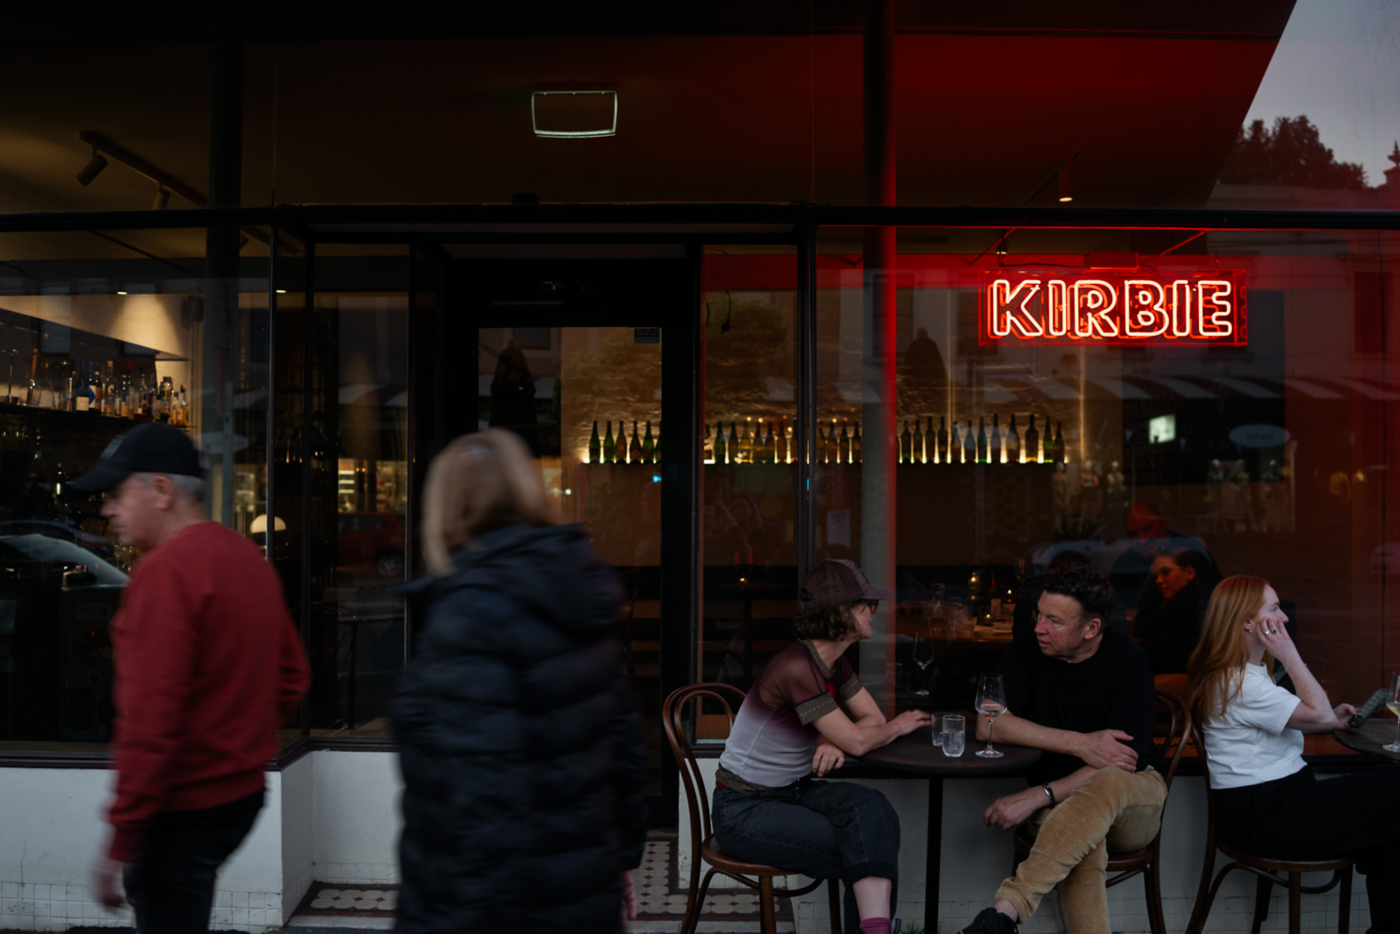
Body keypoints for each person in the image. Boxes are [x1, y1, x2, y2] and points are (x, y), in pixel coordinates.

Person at [393, 429, 647, 934]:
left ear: (444, 508)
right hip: (580, 891)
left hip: (495, 907)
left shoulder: (468, 616)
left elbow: (486, 807)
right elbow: (622, 742)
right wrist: (619, 858)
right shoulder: (575, 589)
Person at [72, 423, 311, 933]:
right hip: (239, 799)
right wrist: (237, 740)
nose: (107, 511)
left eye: (116, 494)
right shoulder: (247, 558)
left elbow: (150, 725)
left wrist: (119, 842)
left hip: (181, 808)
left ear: (160, 491)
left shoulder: (164, 574)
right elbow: (292, 676)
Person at [712, 559, 930, 934]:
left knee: (874, 810)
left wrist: (835, 738)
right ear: (845, 613)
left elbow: (869, 723)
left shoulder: (835, 664)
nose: (873, 614)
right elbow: (865, 737)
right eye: (868, 606)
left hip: (792, 792)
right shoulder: (796, 667)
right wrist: (893, 727)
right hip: (743, 809)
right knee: (862, 843)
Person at [1187, 576, 1400, 933]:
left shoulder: (1242, 675)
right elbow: (1317, 717)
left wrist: (1332, 718)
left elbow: (1297, 718)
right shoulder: (1240, 682)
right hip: (1267, 815)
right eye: (1274, 609)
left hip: (1273, 804)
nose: (1284, 618)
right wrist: (1289, 653)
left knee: (1392, 838)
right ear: (1246, 621)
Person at [960, 565, 1164, 934]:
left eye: (1054, 620)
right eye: (1040, 614)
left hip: (1133, 799)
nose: (1039, 626)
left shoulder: (1128, 661)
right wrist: (1082, 743)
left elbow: (1119, 765)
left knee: (1108, 782)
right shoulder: (1029, 643)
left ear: (1091, 629)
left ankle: (1004, 912)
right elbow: (989, 722)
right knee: (1083, 839)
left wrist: (1037, 795)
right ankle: (1000, 919)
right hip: (1062, 806)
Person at [1129, 548, 1209, 673]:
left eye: (1165, 572)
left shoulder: (1194, 613)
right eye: (1155, 575)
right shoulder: (1155, 604)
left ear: (1189, 573)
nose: (1158, 581)